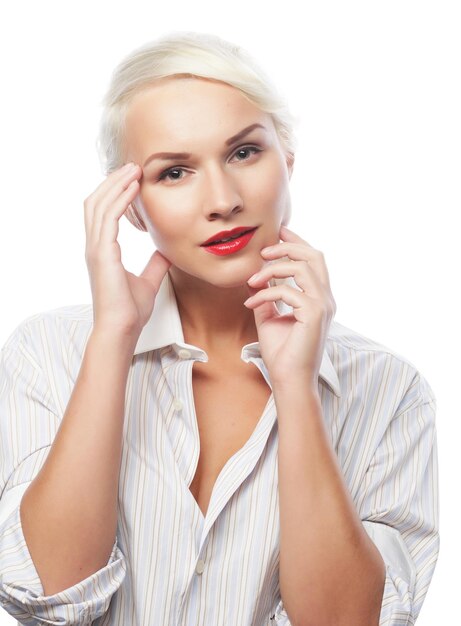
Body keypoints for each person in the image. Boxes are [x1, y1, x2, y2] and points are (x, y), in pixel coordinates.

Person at [0, 31, 438, 626]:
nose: (223, 200)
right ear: (129, 204)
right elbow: (50, 594)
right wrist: (112, 340)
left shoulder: (390, 391)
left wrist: (298, 390)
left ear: (288, 160)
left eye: (243, 153)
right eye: (175, 171)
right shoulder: (46, 352)